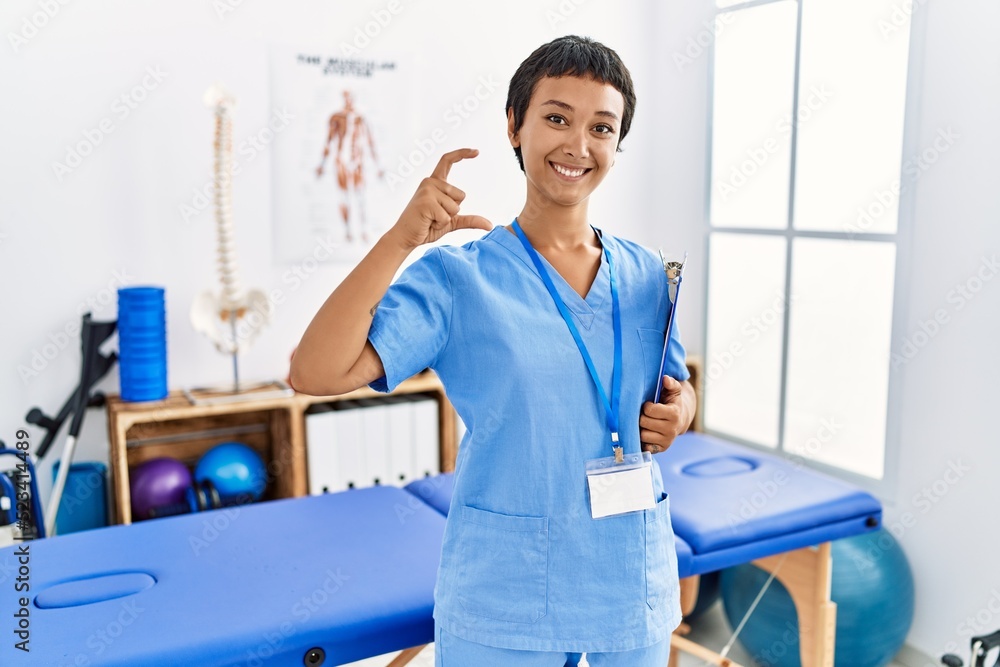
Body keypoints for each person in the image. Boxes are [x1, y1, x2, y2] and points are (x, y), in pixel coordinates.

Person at [291, 35, 696, 667]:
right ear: (515, 126)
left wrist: (681, 411)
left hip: (629, 583)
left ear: (618, 145)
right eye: (556, 118)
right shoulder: (459, 279)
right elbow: (314, 371)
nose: (577, 145)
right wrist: (400, 241)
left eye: (601, 127)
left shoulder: (647, 273)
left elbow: (672, 385)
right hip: (506, 599)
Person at [316, 90, 384, 244]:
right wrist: (322, 164)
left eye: (351, 97)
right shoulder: (336, 117)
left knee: (360, 196)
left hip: (357, 162)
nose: (349, 100)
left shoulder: (361, 118)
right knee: (344, 197)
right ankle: (347, 231)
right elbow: (329, 141)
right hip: (342, 161)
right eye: (346, 97)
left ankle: (363, 230)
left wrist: (378, 165)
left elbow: (370, 141)